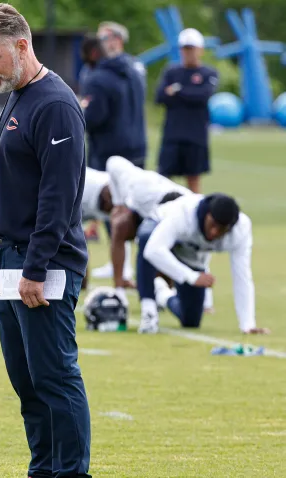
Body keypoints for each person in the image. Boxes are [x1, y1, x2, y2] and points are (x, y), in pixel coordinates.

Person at [0, 4, 91, 477]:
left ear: (22, 46)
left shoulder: (56, 104)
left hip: (46, 263)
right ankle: (42, 469)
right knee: (26, 382)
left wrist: (35, 267)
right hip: (9, 257)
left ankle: (70, 472)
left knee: (54, 377)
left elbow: (58, 198)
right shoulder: (16, 93)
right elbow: (8, 183)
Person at [136, 193, 269, 335]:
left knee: (191, 321)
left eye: (221, 230)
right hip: (160, 229)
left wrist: (247, 324)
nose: (214, 232)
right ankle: (148, 312)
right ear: (207, 215)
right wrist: (191, 276)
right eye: (212, 225)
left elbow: (242, 275)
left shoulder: (240, 231)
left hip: (191, 252)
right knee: (146, 237)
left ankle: (162, 294)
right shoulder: (183, 214)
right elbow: (153, 250)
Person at [105, 155, 191, 303]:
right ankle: (119, 290)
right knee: (120, 226)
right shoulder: (139, 189)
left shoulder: (189, 208)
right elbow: (112, 162)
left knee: (169, 248)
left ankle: (164, 290)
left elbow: (200, 253)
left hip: (160, 216)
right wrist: (118, 203)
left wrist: (206, 303)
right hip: (140, 211)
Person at [156, 28, 218, 194]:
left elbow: (203, 96)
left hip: (195, 135)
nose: (188, 53)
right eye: (185, 49)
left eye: (192, 48)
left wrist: (178, 91)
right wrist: (187, 92)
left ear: (200, 50)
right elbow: (160, 96)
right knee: (164, 180)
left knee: (194, 181)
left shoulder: (208, 73)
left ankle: (195, 216)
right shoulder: (171, 71)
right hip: (172, 134)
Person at [80, 34, 147, 170]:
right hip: (138, 150)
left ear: (93, 54)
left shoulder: (96, 79)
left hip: (109, 155)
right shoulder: (134, 73)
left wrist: (82, 111)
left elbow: (93, 118)